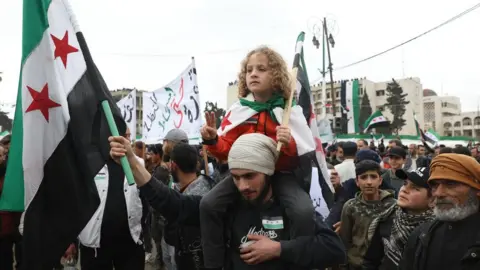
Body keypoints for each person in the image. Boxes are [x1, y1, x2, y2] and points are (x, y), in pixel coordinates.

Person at [109, 133, 346, 269]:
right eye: (236, 177)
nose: (242, 186)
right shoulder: (224, 206)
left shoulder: (292, 208)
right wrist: (132, 163)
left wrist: (278, 249)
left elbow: (334, 249)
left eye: (250, 176)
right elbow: (174, 205)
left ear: (268, 172)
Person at [199, 46, 317, 268]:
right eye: (249, 69)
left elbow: (300, 157)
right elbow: (226, 152)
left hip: (280, 175)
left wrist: (288, 142)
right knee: (208, 204)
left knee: (303, 211)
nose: (253, 74)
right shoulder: (238, 111)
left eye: (261, 69)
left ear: (277, 76)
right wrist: (213, 140)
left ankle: (297, 260)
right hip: (245, 175)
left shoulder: (290, 112)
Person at [399, 154, 480, 270]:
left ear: (476, 188)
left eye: (451, 184)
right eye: (435, 185)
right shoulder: (422, 234)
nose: (438, 193)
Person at [362, 167, 434, 269]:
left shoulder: (436, 230)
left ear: (432, 200)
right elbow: (371, 261)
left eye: (415, 188)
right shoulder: (388, 218)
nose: (405, 190)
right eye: (405, 184)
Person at [339, 160, 396, 270]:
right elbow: (345, 240)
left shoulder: (393, 206)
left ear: (380, 180)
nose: (369, 182)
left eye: (373, 177)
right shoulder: (351, 207)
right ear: (357, 181)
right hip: (356, 264)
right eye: (364, 177)